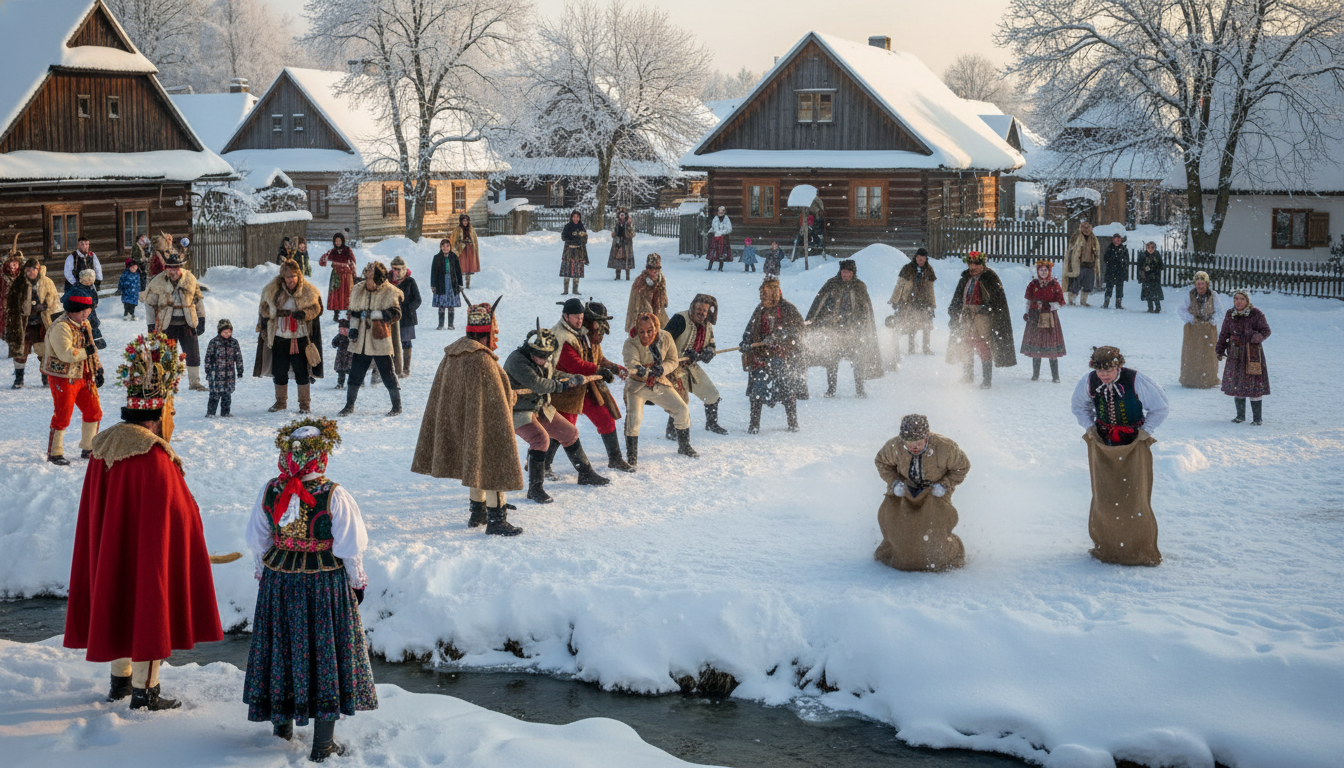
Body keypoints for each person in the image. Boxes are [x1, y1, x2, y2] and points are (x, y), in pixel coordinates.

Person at [64, 332, 222, 710]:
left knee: (118, 595)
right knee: (149, 602)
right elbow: (175, 513)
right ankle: (145, 690)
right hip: (148, 552)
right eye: (170, 413)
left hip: (113, 547)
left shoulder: (104, 446)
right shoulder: (152, 456)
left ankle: (120, 681)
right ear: (158, 415)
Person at [243, 418, 378, 758]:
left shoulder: (271, 489)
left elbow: (258, 539)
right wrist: (357, 583)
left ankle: (281, 729)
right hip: (323, 582)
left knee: (283, 647)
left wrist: (264, 573)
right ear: (321, 456)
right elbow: (350, 545)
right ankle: (322, 744)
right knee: (325, 654)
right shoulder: (334, 493)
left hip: (279, 579)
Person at [412, 298, 526, 535]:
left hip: (463, 421)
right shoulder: (483, 360)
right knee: (493, 462)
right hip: (484, 422)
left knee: (476, 462)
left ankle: (478, 512)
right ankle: (497, 520)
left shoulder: (453, 354)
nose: (496, 336)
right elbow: (498, 400)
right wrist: (510, 395)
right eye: (494, 331)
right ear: (485, 334)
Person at [1071, 346, 1168, 566]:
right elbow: (1079, 406)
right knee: (1105, 497)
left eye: (1109, 370)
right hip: (1103, 444)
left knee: (1134, 498)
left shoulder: (1136, 380)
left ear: (1118, 366)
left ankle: (1138, 549)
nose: (1104, 375)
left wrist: (1146, 431)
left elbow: (1160, 407)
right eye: (1099, 370)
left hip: (1134, 443)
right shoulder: (1089, 382)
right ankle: (1108, 547)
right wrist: (1090, 428)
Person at [504, 321, 610, 502]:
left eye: (546, 356)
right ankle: (535, 489)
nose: (543, 360)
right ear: (530, 349)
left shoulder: (546, 357)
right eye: (539, 356)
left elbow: (552, 375)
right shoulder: (516, 361)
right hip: (518, 410)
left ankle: (585, 474)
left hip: (540, 406)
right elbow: (537, 384)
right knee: (540, 439)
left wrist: (572, 378)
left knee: (570, 433)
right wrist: (561, 386)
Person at [873, 414, 970, 572]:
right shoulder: (894, 447)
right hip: (903, 493)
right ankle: (892, 553)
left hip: (935, 495)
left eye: (919, 442)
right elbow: (881, 462)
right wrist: (895, 482)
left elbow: (962, 467)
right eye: (909, 443)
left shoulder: (946, 448)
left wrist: (945, 485)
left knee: (932, 534)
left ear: (927, 436)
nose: (914, 447)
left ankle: (952, 553)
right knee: (900, 531)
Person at [551, 298, 631, 473]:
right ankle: (542, 465)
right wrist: (599, 370)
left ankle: (615, 459)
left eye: (581, 317)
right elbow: (575, 365)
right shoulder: (563, 337)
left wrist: (615, 368)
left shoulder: (586, 335)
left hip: (588, 387)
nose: (599, 329)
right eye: (597, 324)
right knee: (562, 429)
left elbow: (598, 358)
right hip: (567, 390)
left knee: (606, 419)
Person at [623, 312, 698, 459]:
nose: (645, 335)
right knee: (634, 418)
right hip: (637, 385)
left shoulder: (666, 337)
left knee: (682, 409)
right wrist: (641, 369)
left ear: (656, 328)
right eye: (641, 331)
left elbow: (673, 360)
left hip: (659, 382)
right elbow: (631, 362)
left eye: (649, 331)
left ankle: (684, 446)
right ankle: (632, 456)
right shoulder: (631, 343)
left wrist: (662, 369)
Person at [806, 259, 884, 398]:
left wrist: (862, 326)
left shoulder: (859, 287)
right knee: (831, 360)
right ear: (840, 271)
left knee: (857, 360)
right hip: (834, 329)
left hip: (853, 330)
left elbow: (865, 309)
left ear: (853, 273)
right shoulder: (832, 284)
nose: (846, 275)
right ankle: (831, 389)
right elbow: (820, 303)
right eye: (844, 272)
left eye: (848, 273)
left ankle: (860, 389)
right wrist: (816, 319)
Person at [42, 293, 104, 465]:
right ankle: (55, 452)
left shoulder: (85, 324)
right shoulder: (60, 327)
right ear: (71, 311)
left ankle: (89, 447)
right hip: (63, 376)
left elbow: (92, 348)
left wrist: (98, 368)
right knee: (63, 414)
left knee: (94, 411)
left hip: (84, 374)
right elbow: (65, 354)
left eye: (88, 310)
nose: (86, 314)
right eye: (82, 311)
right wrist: (87, 352)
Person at [741, 277, 807, 433]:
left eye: (766, 294)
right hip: (761, 355)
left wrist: (781, 335)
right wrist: (745, 342)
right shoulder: (760, 309)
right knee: (758, 388)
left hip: (783, 355)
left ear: (775, 294)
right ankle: (754, 425)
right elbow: (749, 329)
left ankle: (792, 422)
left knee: (785, 388)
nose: (763, 298)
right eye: (762, 294)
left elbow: (800, 329)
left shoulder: (788, 309)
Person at [340, 262, 404, 417]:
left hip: (380, 339)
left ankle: (397, 406)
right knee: (355, 373)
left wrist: (376, 315)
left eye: (371, 278)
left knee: (387, 373)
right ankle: (349, 405)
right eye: (367, 277)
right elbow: (355, 312)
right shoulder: (358, 290)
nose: (367, 281)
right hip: (361, 341)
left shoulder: (389, 292)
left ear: (379, 279)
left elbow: (396, 313)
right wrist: (353, 329)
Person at [260, 258, 323, 414]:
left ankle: (304, 405)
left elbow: (317, 308)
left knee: (301, 371)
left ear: (299, 276)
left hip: (300, 337)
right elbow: (264, 309)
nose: (291, 280)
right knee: (279, 371)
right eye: (287, 277)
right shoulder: (272, 290)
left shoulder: (309, 291)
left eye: (293, 276)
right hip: (280, 337)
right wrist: (276, 312)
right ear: (283, 277)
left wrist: (304, 313)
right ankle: (281, 402)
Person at [144, 245, 209, 392]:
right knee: (166, 354)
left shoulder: (190, 279)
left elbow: (198, 300)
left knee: (193, 353)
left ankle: (195, 382)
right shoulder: (158, 282)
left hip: (188, 322)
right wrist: (151, 325)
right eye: (171, 268)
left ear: (181, 267)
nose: (174, 271)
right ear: (166, 268)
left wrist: (202, 318)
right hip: (167, 324)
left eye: (177, 268)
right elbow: (149, 304)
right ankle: (166, 382)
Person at [946, 252, 1016, 389]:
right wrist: (953, 313)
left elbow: (997, 300)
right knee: (966, 345)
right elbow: (957, 298)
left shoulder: (990, 278)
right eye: (971, 264)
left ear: (982, 265)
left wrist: (987, 308)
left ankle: (986, 379)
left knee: (983, 346)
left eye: (976, 264)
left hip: (982, 319)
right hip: (967, 317)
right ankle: (968, 375)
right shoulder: (965, 278)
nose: (973, 267)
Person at [664, 294, 728, 437]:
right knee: (680, 400)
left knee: (712, 394)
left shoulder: (707, 325)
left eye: (704, 311)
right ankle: (672, 430)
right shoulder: (679, 319)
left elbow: (711, 344)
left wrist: (708, 352)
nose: (701, 313)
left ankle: (711, 423)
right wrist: (680, 355)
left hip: (691, 367)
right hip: (673, 368)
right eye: (699, 309)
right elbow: (663, 343)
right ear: (692, 307)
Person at [1216, 290, 1271, 425]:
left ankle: (1257, 419)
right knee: (1237, 384)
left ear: (1247, 301)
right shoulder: (1230, 314)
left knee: (1254, 386)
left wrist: (1255, 338)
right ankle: (1240, 416)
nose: (1238, 301)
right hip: (1235, 354)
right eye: (1236, 299)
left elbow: (1266, 331)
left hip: (1251, 354)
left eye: (1242, 299)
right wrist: (1219, 349)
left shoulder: (1256, 314)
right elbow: (1224, 333)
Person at [6, 258, 60, 389]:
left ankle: (45, 377)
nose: (31, 272)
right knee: (20, 351)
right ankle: (19, 378)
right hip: (23, 324)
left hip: (42, 323)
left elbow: (54, 300)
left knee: (44, 350)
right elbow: (11, 303)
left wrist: (44, 306)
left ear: (38, 269)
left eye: (33, 270)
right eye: (28, 270)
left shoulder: (47, 282)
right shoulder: (19, 283)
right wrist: (21, 310)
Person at [1021, 259, 1066, 382]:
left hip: (1049, 318)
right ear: (1038, 271)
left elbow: (1061, 302)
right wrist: (1027, 312)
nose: (1043, 272)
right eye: (1041, 270)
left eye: (1046, 270)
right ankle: (1035, 374)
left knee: (1051, 345)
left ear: (1049, 271)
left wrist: (1049, 306)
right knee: (1036, 345)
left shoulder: (1054, 284)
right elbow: (1029, 300)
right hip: (1035, 316)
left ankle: (1055, 376)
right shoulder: (1033, 284)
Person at [1177, 271, 1223, 389]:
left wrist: (1211, 322)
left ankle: (1207, 379)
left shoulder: (1213, 295)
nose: (1200, 286)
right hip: (1193, 330)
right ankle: (1190, 379)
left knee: (1207, 355)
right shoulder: (1190, 295)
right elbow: (1181, 310)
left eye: (1202, 284)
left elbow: (1219, 311)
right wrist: (1192, 319)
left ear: (1207, 284)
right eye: (1198, 284)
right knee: (1192, 354)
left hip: (1208, 330)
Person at [890, 248, 936, 355]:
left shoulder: (928, 270)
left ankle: (926, 348)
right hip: (910, 300)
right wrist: (895, 300)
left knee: (927, 325)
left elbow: (931, 289)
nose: (920, 260)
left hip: (924, 301)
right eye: (919, 258)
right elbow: (899, 285)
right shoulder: (908, 269)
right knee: (911, 325)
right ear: (916, 258)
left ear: (926, 259)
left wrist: (932, 304)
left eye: (923, 258)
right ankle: (911, 348)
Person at [388, 256, 421, 377]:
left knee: (406, 342)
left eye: (397, 269)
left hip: (407, 318)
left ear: (403, 269)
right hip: (391, 317)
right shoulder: (388, 280)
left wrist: (407, 309)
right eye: (393, 268)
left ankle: (406, 369)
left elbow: (417, 299)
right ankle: (395, 368)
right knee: (392, 343)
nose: (394, 271)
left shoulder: (410, 281)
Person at [204, 319, 244, 417]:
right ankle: (211, 412)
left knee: (227, 394)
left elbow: (238, 357)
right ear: (220, 331)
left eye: (229, 332)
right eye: (225, 332)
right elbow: (208, 357)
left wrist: (240, 370)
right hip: (216, 374)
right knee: (215, 394)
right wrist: (208, 370)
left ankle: (225, 412)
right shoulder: (214, 342)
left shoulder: (234, 343)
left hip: (229, 374)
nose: (227, 334)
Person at [62, 268, 106, 351]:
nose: (88, 281)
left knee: (94, 324)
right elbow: (70, 293)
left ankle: (98, 340)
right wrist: (64, 298)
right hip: (81, 310)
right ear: (81, 279)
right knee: (82, 326)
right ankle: (84, 342)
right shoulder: (77, 287)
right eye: (86, 279)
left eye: (90, 279)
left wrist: (94, 304)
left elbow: (95, 297)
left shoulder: (92, 288)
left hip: (90, 310)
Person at [625, 252, 669, 332]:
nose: (654, 272)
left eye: (657, 269)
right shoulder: (640, 283)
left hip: (659, 315)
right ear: (647, 269)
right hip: (643, 318)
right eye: (651, 269)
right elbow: (635, 306)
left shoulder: (661, 280)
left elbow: (664, 301)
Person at [320, 233, 357, 321]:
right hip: (336, 275)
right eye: (336, 241)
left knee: (347, 294)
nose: (338, 243)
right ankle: (336, 314)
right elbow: (322, 261)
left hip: (346, 275)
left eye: (339, 241)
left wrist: (354, 275)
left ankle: (349, 313)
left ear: (342, 241)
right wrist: (324, 259)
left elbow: (352, 262)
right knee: (336, 295)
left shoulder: (347, 250)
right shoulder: (332, 251)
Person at [430, 238, 464, 330]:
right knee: (441, 304)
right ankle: (440, 325)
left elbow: (458, 271)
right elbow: (433, 272)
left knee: (451, 304)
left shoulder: (454, 257)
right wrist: (433, 285)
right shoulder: (436, 258)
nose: (445, 248)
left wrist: (460, 284)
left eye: (447, 246)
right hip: (441, 283)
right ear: (441, 247)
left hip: (452, 282)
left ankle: (450, 324)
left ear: (450, 247)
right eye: (443, 246)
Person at [1063, 221, 1100, 306]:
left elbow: (1096, 251)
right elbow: (1071, 250)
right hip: (1079, 265)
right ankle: (1071, 300)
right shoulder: (1076, 237)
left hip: (1090, 265)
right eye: (1084, 227)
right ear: (1080, 228)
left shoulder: (1093, 238)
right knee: (1075, 284)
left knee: (1088, 285)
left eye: (1088, 227)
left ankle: (1083, 301)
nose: (1086, 230)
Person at [0, 236, 24, 346]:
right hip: (4, 304)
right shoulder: (3, 275)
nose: (13, 266)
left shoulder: (22, 275)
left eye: (15, 264)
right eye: (11, 264)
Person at [560, 210, 588, 296]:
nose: (576, 219)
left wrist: (581, 239)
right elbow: (563, 237)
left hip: (578, 252)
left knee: (577, 270)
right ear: (571, 217)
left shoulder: (581, 227)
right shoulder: (567, 226)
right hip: (569, 251)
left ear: (579, 218)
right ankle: (565, 290)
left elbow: (585, 239)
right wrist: (572, 238)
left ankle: (575, 290)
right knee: (567, 269)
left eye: (577, 217)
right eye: (574, 217)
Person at [450, 214, 481, 289]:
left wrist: (470, 242)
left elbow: (474, 240)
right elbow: (454, 241)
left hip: (469, 250)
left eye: (466, 221)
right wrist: (462, 242)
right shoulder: (457, 230)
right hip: (461, 251)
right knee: (460, 267)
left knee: (468, 268)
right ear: (461, 221)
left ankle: (468, 284)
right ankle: (459, 284)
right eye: (464, 221)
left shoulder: (471, 229)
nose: (465, 222)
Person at [1101, 233, 1128, 309]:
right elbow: (1105, 258)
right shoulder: (1109, 248)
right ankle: (1106, 302)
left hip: (1120, 272)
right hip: (1111, 272)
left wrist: (1123, 268)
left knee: (1119, 288)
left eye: (1118, 240)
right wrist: (1112, 261)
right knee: (1109, 287)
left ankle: (1118, 303)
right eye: (1115, 240)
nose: (1116, 241)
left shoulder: (1123, 249)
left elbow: (1126, 261)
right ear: (1113, 240)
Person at [607, 208, 636, 280]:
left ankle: (627, 276)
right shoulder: (617, 224)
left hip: (626, 244)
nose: (622, 217)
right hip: (618, 243)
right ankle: (617, 276)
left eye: (623, 215)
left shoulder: (629, 224)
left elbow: (632, 234)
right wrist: (615, 235)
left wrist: (628, 226)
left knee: (627, 259)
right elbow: (613, 232)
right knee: (617, 258)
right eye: (621, 215)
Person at [1137, 242, 1164, 312]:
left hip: (1155, 278)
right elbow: (1140, 265)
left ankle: (1158, 307)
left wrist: (1152, 268)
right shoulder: (1144, 255)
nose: (1150, 250)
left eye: (1152, 248)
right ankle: (1150, 307)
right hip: (1147, 278)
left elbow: (1161, 266)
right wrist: (1144, 269)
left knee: (1156, 294)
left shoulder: (1157, 255)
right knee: (1148, 293)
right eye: (1149, 248)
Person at [706, 205, 732, 271]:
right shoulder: (715, 218)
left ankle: (720, 268)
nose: (720, 212)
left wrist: (722, 232)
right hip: (715, 238)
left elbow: (729, 228)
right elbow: (713, 227)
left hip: (723, 238)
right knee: (713, 253)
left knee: (721, 253)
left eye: (722, 211)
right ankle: (709, 267)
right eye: (719, 211)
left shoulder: (726, 219)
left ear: (724, 211)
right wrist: (710, 232)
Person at [331, 317, 354, 389]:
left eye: (344, 329)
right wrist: (335, 343)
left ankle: (351, 383)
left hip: (349, 356)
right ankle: (340, 383)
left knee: (350, 370)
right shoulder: (339, 336)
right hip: (341, 356)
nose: (342, 331)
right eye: (341, 329)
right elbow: (334, 342)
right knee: (341, 371)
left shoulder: (351, 336)